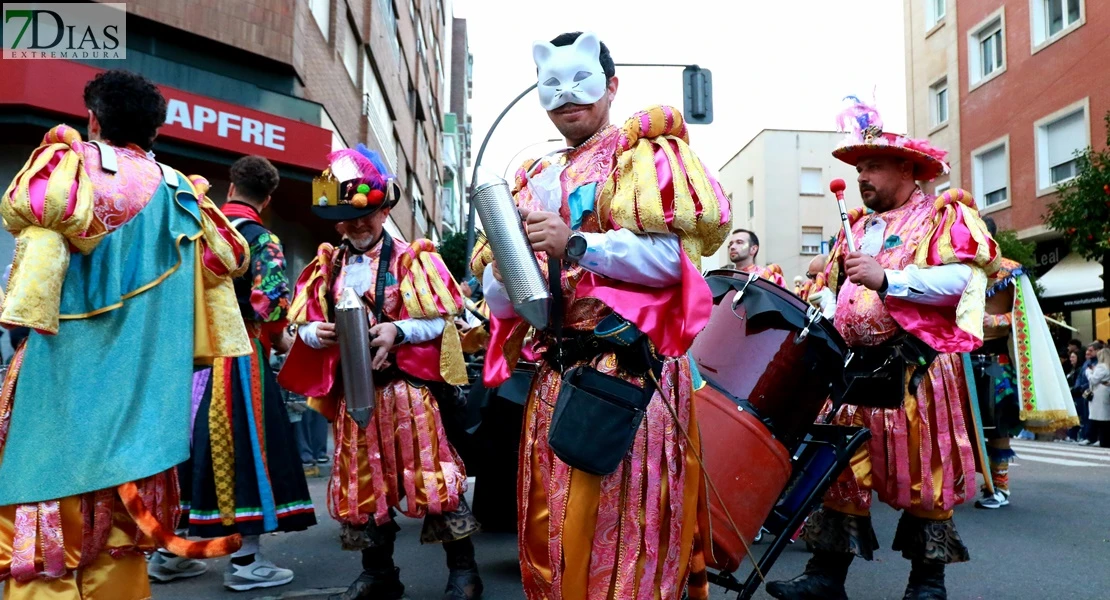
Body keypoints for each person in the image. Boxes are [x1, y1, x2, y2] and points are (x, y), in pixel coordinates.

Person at [471, 31, 730, 600]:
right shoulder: (530, 175)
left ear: (611, 86)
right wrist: (508, 271)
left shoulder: (643, 158)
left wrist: (578, 244)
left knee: (624, 533)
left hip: (629, 375)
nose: (567, 97)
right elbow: (504, 301)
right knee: (556, 528)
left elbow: (674, 262)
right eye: (552, 86)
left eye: (581, 83)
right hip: (555, 375)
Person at [0, 70, 250, 599]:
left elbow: (27, 298)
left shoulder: (68, 171)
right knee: (119, 537)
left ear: (92, 118)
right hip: (142, 399)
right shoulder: (185, 193)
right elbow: (214, 288)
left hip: (59, 382)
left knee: (45, 532)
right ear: (156, 129)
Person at [766, 98, 999, 600]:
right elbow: (832, 289)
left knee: (925, 475)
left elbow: (967, 277)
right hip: (852, 374)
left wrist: (889, 276)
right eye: (858, 168)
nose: (861, 177)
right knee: (841, 471)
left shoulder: (942, 215)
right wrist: (829, 305)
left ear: (907, 168)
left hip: (918, 370)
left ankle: (926, 583)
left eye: (872, 166)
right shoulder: (857, 226)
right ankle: (826, 577)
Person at [278, 145, 481, 600]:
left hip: (408, 396)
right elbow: (302, 326)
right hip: (355, 397)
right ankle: (379, 573)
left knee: (432, 480)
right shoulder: (327, 264)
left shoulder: (414, 259)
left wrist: (397, 330)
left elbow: (442, 317)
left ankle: (463, 571)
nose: (357, 224)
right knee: (362, 485)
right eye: (347, 217)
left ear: (384, 208)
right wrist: (318, 334)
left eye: (366, 214)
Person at [150, 156, 317, 591]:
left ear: (229, 188)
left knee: (183, 444)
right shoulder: (262, 239)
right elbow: (272, 303)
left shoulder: (196, 228)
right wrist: (278, 338)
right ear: (268, 198)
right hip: (238, 352)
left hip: (185, 357)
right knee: (247, 446)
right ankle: (245, 562)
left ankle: (170, 551)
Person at [970, 218, 1077, 509]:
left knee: (999, 426)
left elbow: (1025, 318)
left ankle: (1000, 489)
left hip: (995, 360)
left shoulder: (1011, 271)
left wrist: (994, 320)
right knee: (961, 425)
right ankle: (972, 484)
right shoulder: (958, 271)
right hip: (961, 359)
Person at [1086, 348, 1110, 447]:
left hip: (1099, 393)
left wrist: (1089, 372)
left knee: (1099, 418)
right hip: (1106, 391)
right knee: (1105, 417)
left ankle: (1099, 439)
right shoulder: (1108, 366)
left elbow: (1093, 380)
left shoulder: (1101, 366)